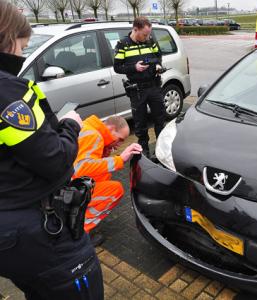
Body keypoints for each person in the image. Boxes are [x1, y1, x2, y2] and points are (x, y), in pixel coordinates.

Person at [0, 1, 104, 299]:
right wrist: (70, 125)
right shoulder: (8, 92)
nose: (21, 55)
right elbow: (55, 160)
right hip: (35, 226)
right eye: (22, 47)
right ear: (8, 38)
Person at [72, 115, 142, 245]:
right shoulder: (94, 136)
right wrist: (120, 160)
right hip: (67, 188)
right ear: (111, 128)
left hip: (62, 183)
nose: (119, 144)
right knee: (116, 190)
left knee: (105, 176)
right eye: (120, 139)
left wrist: (106, 149)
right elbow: (81, 168)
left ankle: (74, 218)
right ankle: (78, 232)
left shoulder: (89, 128)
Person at [113, 16, 165, 158]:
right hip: (137, 90)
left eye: (149, 34)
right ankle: (145, 154)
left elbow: (158, 56)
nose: (147, 37)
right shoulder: (123, 44)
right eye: (144, 34)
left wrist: (158, 65)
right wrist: (134, 67)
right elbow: (117, 67)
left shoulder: (150, 41)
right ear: (135, 29)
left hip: (154, 86)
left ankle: (161, 150)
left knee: (160, 119)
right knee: (140, 124)